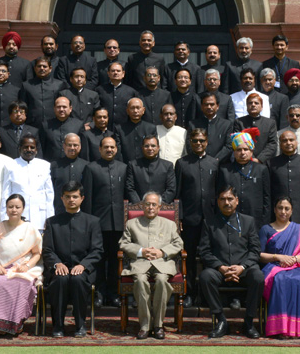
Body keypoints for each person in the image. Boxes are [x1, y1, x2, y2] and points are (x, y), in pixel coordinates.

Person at [198, 186, 265, 339]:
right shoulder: (209, 222)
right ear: (218, 202)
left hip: (244, 269)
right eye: (222, 199)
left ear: (237, 201)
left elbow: (255, 250)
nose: (226, 202)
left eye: (230, 199)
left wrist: (242, 267)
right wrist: (221, 267)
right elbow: (204, 251)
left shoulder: (248, 221)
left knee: (258, 277)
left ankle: (248, 321)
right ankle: (221, 320)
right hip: (219, 270)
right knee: (205, 277)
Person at [119, 191, 184, 340]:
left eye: (154, 204)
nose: (150, 207)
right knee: (140, 281)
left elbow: (178, 243)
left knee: (162, 281)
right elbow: (123, 243)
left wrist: (162, 252)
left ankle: (158, 325)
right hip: (140, 263)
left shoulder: (169, 224)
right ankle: (144, 325)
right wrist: (141, 251)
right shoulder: (132, 223)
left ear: (159, 207)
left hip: (163, 263)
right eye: (147, 204)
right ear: (142, 205)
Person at [43, 181, 103, 338]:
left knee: (77, 280)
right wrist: (57, 263)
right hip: (59, 268)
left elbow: (97, 250)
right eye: (68, 197)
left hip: (83, 269)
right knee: (61, 279)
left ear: (82, 198)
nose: (71, 200)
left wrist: (83, 265)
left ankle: (80, 324)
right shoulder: (52, 222)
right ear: (62, 198)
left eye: (75, 197)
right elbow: (47, 250)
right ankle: (58, 325)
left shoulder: (93, 222)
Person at [0, 194, 43, 335]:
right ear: (6, 208)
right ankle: (0, 324)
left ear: (23, 209)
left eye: (17, 207)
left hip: (24, 269)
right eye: (10, 207)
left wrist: (27, 266)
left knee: (21, 283)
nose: (14, 210)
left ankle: (16, 323)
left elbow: (37, 253)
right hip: (1, 269)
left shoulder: (30, 229)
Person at [175, 128, 219, 307]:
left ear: (206, 142)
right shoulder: (182, 163)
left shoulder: (215, 163)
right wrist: (179, 218)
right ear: (190, 143)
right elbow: (177, 194)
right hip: (190, 220)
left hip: (211, 220)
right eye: (195, 141)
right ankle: (189, 293)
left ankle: (209, 295)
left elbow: (218, 192)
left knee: (210, 257)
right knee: (190, 259)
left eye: (201, 141)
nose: (198, 144)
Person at [81, 136, 127, 307]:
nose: (109, 150)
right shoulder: (91, 168)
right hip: (98, 224)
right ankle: (98, 293)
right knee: (98, 261)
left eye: (112, 147)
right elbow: (88, 199)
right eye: (106, 147)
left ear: (116, 149)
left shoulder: (124, 168)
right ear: (99, 149)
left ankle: (114, 293)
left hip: (119, 224)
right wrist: (88, 224)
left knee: (117, 260)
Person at [259, 196, 300, 338]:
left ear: (291, 211)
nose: (283, 211)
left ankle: (299, 329)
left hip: (296, 266)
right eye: (280, 208)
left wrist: (293, 259)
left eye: (287, 208)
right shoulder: (266, 229)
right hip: (273, 267)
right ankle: (280, 328)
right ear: (274, 209)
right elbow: (259, 254)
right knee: (281, 280)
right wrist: (278, 257)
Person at [218, 130, 271, 230]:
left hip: (256, 220)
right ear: (234, 152)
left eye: (246, 149)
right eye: (239, 150)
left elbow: (267, 198)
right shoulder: (225, 170)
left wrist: (265, 223)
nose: (242, 153)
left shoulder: (261, 169)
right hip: (230, 220)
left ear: (251, 151)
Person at [1, 134, 54, 231]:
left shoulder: (44, 165)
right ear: (20, 148)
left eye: (32, 147)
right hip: (17, 217)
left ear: (36, 150)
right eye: (26, 147)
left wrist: (50, 218)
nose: (29, 149)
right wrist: (4, 218)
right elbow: (6, 194)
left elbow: (49, 195)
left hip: (40, 217)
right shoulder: (10, 165)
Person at [267, 130, 300, 227]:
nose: (288, 143)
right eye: (285, 140)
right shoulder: (271, 163)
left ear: (297, 142)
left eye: (291, 140)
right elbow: (268, 192)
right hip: (277, 218)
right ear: (280, 143)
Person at [125, 135, 176, 204]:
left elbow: (171, 189)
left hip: (160, 207)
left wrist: (158, 204)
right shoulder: (133, 165)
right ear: (142, 148)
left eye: (153, 146)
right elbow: (130, 188)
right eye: (146, 146)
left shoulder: (167, 166)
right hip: (139, 208)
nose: (150, 148)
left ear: (158, 148)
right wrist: (139, 204)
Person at [21, 56, 66, 129]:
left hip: (54, 126)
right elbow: (23, 106)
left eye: (44, 66)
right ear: (35, 68)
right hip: (32, 125)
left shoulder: (59, 85)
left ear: (50, 68)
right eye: (39, 66)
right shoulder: (26, 85)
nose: (42, 68)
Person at [187, 91, 233, 164]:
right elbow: (189, 145)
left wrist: (215, 160)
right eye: (206, 104)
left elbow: (228, 146)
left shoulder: (226, 124)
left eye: (212, 104)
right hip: (197, 163)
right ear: (201, 106)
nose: (209, 107)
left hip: (220, 165)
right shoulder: (193, 124)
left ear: (217, 106)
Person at [233, 92, 278, 164]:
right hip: (243, 161)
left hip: (264, 163)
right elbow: (238, 142)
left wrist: (259, 159)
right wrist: (251, 158)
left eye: (256, 103)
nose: (253, 105)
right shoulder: (239, 122)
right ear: (247, 106)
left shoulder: (270, 123)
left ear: (261, 107)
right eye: (250, 103)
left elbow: (272, 144)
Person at [50, 133, 87, 214]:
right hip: (59, 211)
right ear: (64, 146)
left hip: (81, 213)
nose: (72, 148)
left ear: (80, 146)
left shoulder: (86, 166)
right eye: (69, 145)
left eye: (75, 145)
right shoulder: (54, 166)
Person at [40, 96, 85, 162]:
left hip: (72, 164)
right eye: (58, 107)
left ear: (70, 108)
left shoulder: (78, 125)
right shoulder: (45, 125)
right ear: (54, 108)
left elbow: (82, 148)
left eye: (64, 107)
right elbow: (41, 147)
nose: (61, 109)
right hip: (51, 164)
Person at [96, 62, 137, 130]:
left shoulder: (131, 91)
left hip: (125, 129)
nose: (115, 73)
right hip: (104, 128)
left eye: (118, 71)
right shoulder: (100, 90)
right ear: (108, 73)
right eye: (113, 71)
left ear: (123, 74)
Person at [114, 97, 156, 163]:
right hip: (125, 165)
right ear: (127, 111)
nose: (135, 111)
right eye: (132, 108)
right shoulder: (119, 129)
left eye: (138, 108)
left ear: (143, 110)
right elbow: (118, 151)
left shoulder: (151, 128)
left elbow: (154, 150)